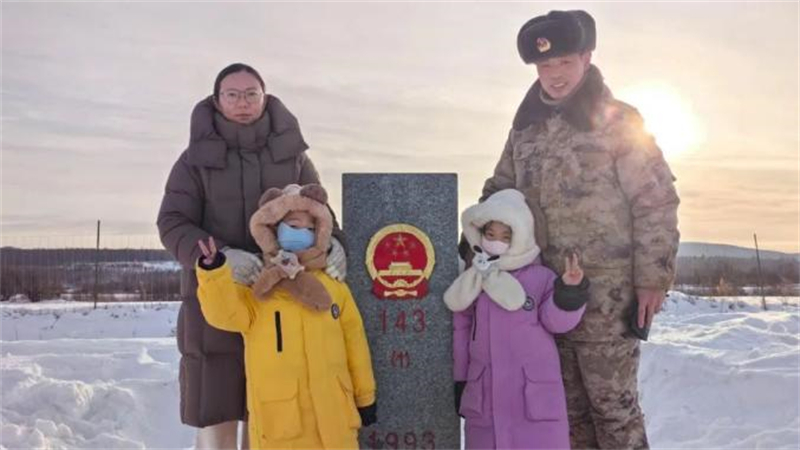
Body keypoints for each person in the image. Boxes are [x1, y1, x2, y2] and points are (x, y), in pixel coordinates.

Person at [476, 10, 680, 449]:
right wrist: (475, 232)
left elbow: (655, 199)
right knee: (564, 413)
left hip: (609, 299)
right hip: (543, 297)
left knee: (613, 410)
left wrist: (652, 278)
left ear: (587, 58)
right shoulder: (524, 129)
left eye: (564, 62)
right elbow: (501, 189)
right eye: (545, 66)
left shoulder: (619, 121)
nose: (555, 75)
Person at [157, 62, 347, 449]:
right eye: (232, 94)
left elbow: (317, 208)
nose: (242, 103)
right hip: (215, 297)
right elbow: (173, 221)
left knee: (275, 409)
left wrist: (335, 241)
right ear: (217, 99)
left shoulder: (291, 153)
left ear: (264, 96)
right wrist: (220, 257)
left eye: (250, 94)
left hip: (282, 295)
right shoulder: (194, 160)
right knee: (217, 408)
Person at [195, 183, 376, 449]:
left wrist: (366, 396)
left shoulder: (335, 286)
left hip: (335, 419)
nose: (301, 233)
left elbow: (355, 344)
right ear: (274, 229)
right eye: (293, 225)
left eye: (310, 228)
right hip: (280, 425)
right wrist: (214, 272)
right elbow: (224, 314)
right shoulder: (259, 288)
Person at [445, 189, 589, 449]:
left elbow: (555, 321)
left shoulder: (540, 278)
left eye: (505, 236)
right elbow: (461, 330)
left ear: (521, 237)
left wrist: (569, 293)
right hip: (485, 395)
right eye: (490, 235)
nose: (496, 242)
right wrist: (461, 379)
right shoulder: (472, 280)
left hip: (532, 399)